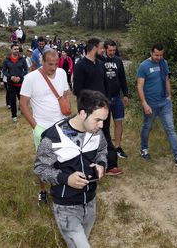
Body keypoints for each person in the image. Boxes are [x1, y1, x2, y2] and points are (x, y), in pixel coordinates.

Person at [34, 89, 108, 248]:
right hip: (66, 208)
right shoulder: (53, 137)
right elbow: (40, 168)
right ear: (82, 114)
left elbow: (102, 151)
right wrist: (66, 178)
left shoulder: (96, 132)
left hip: (90, 203)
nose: (101, 125)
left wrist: (101, 165)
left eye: (104, 120)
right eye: (98, 120)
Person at [20, 49, 70, 206]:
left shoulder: (62, 73)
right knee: (43, 162)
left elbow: (66, 92)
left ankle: (61, 187)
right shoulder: (31, 78)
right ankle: (43, 190)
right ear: (42, 62)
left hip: (62, 125)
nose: (53, 68)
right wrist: (36, 127)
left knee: (64, 158)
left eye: (56, 64)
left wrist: (67, 108)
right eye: (50, 64)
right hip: (43, 127)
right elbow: (23, 104)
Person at [73, 38, 123, 176]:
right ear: (94, 48)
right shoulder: (80, 66)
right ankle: (83, 165)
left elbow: (106, 85)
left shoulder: (101, 64)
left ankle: (111, 165)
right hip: (88, 109)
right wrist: (88, 106)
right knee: (85, 136)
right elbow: (77, 90)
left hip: (102, 108)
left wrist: (106, 102)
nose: (103, 50)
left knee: (105, 133)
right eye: (101, 48)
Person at [136, 43, 177, 166]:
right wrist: (144, 103)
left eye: (161, 55)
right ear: (151, 52)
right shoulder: (143, 66)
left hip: (164, 103)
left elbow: (166, 80)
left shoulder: (163, 63)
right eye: (156, 55)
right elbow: (139, 86)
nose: (158, 57)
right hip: (150, 104)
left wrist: (169, 96)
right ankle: (143, 149)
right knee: (147, 127)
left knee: (170, 128)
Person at [103, 40, 129, 158]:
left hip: (117, 97)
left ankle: (118, 147)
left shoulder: (118, 60)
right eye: (110, 50)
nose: (112, 52)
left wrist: (126, 94)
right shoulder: (100, 61)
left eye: (114, 50)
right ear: (105, 49)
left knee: (118, 122)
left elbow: (122, 78)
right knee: (104, 125)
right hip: (104, 98)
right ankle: (106, 148)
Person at [1, 43, 28, 122]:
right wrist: (10, 76)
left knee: (22, 99)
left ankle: (24, 111)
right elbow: (4, 70)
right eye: (15, 49)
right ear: (11, 50)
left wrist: (20, 76)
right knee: (12, 100)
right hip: (11, 83)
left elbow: (26, 70)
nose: (16, 51)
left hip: (20, 83)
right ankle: (14, 116)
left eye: (17, 49)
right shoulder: (7, 60)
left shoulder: (22, 59)